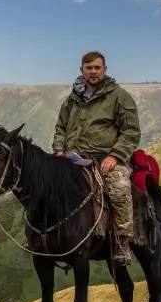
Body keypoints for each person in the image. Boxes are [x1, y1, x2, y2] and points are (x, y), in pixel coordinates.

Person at [52, 50, 141, 266]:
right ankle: (47, 236)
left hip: (106, 158)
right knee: (46, 185)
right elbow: (61, 127)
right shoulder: (72, 99)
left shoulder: (120, 97)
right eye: (89, 68)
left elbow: (131, 131)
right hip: (73, 157)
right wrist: (59, 149)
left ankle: (122, 241)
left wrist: (115, 156)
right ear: (81, 70)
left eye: (97, 68)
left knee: (119, 188)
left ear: (105, 70)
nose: (93, 72)